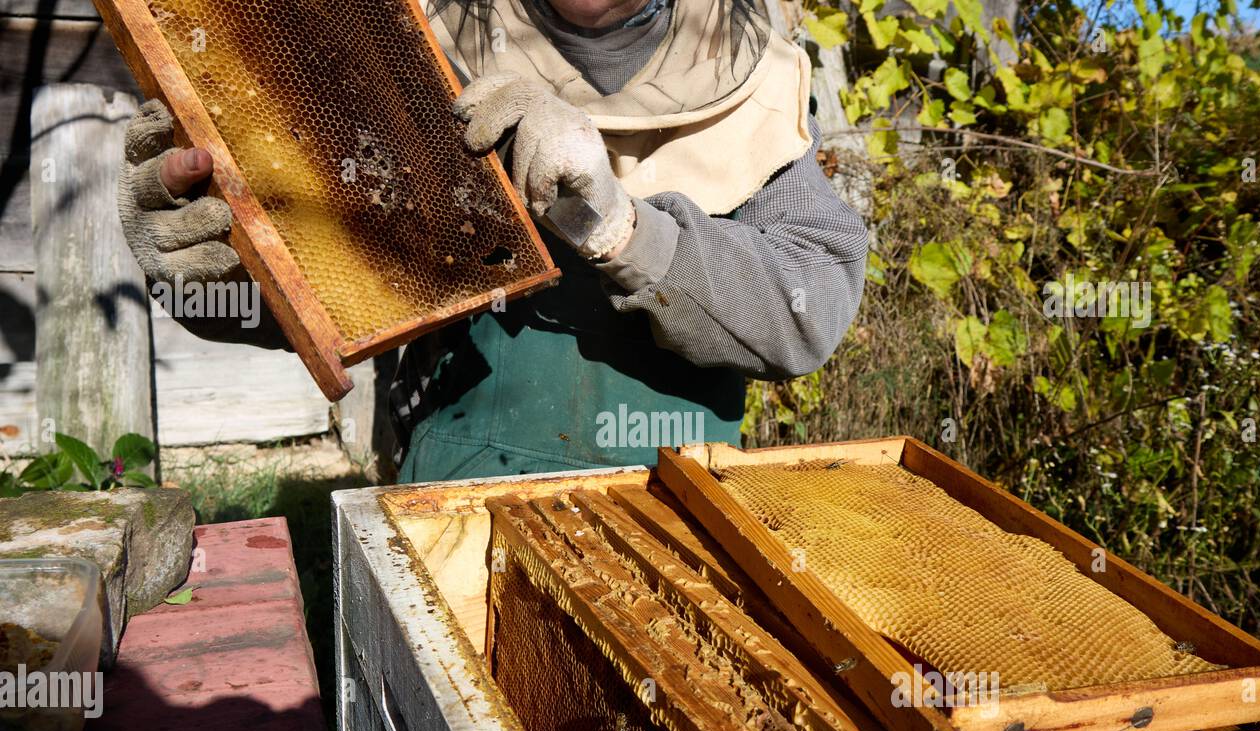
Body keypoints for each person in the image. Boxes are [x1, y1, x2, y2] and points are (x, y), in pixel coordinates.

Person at [116, 0, 869, 481]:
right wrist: (203, 274)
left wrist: (621, 227)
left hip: (677, 512)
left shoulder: (757, 85)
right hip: (448, 504)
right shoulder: (412, 46)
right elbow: (321, 279)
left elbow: (807, 312)